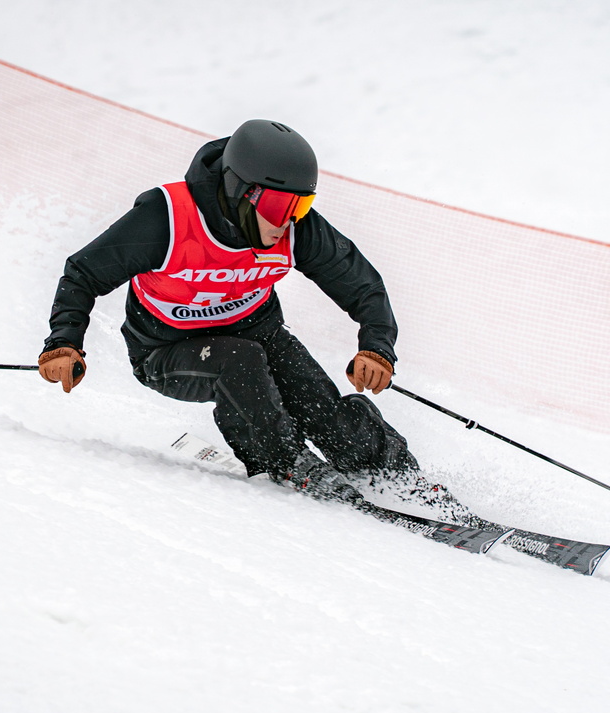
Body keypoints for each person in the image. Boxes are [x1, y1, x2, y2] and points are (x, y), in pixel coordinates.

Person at [37, 119, 417, 503]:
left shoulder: (296, 230)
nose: (289, 220)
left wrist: (377, 346)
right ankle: (285, 462)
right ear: (241, 192)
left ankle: (395, 477)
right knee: (239, 360)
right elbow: (83, 272)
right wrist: (64, 341)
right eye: (279, 205)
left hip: (260, 335)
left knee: (322, 409)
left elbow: (363, 285)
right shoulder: (167, 217)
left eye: (301, 205)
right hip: (166, 350)